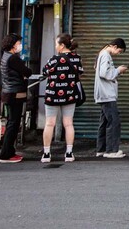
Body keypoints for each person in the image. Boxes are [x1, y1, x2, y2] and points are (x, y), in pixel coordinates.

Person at [42, 33, 83, 163]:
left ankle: (47, 153)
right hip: (70, 94)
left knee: (49, 123)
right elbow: (79, 74)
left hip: (53, 95)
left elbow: (45, 72)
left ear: (62, 45)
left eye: (56, 44)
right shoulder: (77, 58)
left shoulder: (54, 59)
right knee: (68, 123)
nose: (55, 46)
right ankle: (69, 153)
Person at [0, 33, 32, 163]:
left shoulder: (5, 57)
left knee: (11, 122)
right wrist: (24, 74)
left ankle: (8, 152)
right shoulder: (13, 58)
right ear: (13, 44)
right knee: (13, 123)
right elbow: (27, 71)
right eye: (18, 43)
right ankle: (6, 154)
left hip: (8, 93)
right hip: (15, 93)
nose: (20, 45)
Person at [95, 38, 129, 159]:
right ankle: (111, 150)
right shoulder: (105, 55)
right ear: (114, 46)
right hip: (107, 94)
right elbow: (105, 73)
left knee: (104, 122)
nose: (118, 53)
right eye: (119, 51)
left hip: (104, 94)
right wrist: (118, 70)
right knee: (114, 121)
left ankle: (101, 149)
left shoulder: (102, 53)